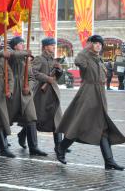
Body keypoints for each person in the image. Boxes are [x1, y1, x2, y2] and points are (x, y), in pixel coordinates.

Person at [55, 35, 125, 170]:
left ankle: (109, 161)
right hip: (88, 94)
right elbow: (77, 61)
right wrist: (85, 49)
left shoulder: (99, 59)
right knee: (79, 124)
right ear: (90, 44)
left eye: (100, 43)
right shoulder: (85, 56)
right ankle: (61, 147)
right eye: (96, 43)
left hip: (99, 95)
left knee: (103, 128)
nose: (98, 45)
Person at [8, 36, 47, 156]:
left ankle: (33, 147)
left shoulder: (26, 60)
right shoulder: (10, 56)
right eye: (20, 44)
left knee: (31, 118)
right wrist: (25, 53)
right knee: (6, 119)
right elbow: (13, 55)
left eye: (23, 44)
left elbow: (31, 77)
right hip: (13, 90)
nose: (23, 45)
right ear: (15, 46)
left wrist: (28, 87)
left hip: (25, 93)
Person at [32, 37, 64, 154]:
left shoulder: (53, 60)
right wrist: (47, 78)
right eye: (52, 45)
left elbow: (57, 77)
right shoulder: (39, 59)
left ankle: (59, 146)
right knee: (38, 119)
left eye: (54, 45)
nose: (54, 47)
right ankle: (23, 135)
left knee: (57, 118)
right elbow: (33, 72)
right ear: (45, 47)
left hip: (53, 93)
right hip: (42, 94)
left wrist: (59, 71)